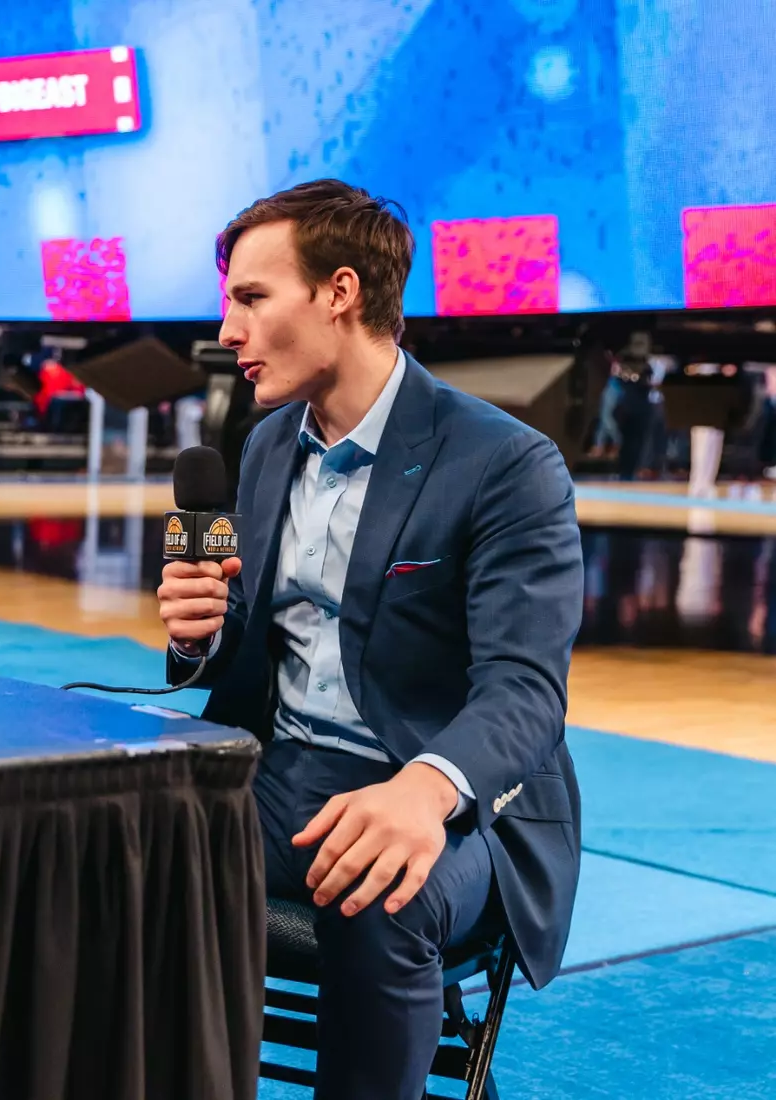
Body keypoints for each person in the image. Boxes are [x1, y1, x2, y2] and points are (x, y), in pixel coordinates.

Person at [157, 180, 581, 1099]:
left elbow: (525, 691)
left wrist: (425, 792)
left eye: (250, 297)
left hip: (447, 790)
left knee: (378, 892)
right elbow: (258, 658)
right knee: (118, 840)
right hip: (285, 770)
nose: (227, 330)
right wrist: (202, 636)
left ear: (339, 293)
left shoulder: (506, 463)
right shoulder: (269, 443)